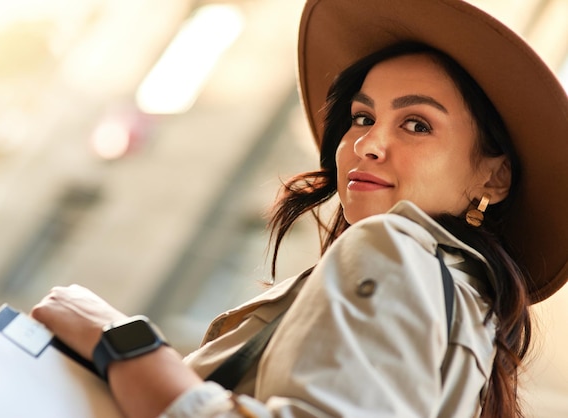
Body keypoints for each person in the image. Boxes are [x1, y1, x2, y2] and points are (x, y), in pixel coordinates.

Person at [31, 0, 568, 417]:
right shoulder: (467, 310)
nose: (369, 143)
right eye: (361, 117)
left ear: (492, 177)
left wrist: (119, 341)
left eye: (417, 124)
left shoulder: (393, 253)